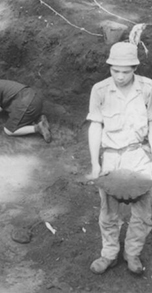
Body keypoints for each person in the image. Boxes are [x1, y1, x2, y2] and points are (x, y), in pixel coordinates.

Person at [87, 41, 152, 275]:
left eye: (126, 71)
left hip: (140, 155)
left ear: (135, 68)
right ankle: (109, 254)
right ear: (109, 67)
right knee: (108, 212)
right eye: (115, 71)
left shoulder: (148, 88)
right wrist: (95, 163)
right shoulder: (100, 90)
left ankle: (132, 253)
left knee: (144, 212)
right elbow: (95, 125)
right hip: (112, 158)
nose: (121, 76)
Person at [0, 70, 51, 143]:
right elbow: (5, 100)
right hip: (35, 99)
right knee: (18, 111)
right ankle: (37, 118)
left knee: (9, 131)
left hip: (28, 106)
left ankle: (38, 127)